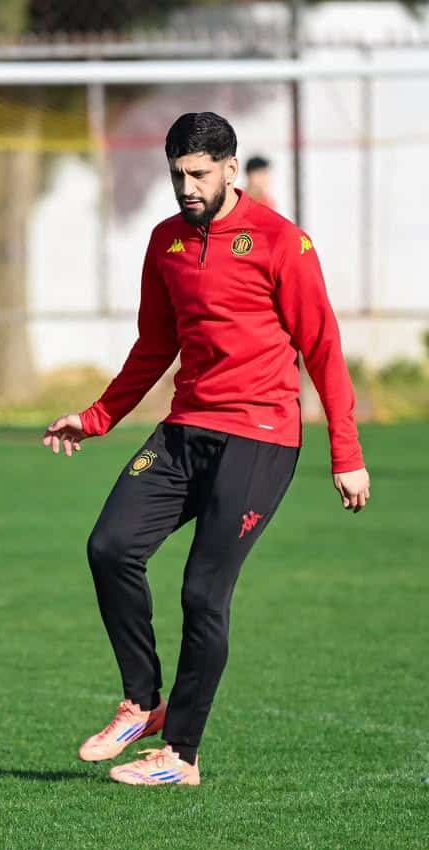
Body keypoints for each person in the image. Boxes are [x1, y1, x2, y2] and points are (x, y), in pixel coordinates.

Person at [43, 112, 370, 787]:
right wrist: (98, 417)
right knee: (109, 545)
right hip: (186, 428)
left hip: (260, 438)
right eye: (177, 174)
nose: (186, 187)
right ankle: (142, 700)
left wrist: (346, 451)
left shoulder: (283, 243)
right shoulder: (165, 244)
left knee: (202, 592)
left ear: (228, 168)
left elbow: (324, 349)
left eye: (198, 174)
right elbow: (153, 346)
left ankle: (180, 756)